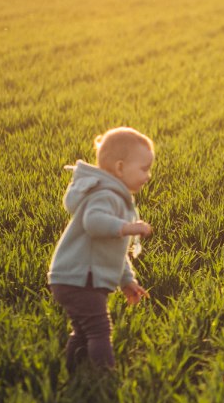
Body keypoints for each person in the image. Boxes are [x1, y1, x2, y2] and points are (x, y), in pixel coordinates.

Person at [48, 126, 154, 372]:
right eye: (144, 168)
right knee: (99, 330)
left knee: (84, 331)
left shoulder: (112, 195)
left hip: (71, 277)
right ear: (119, 168)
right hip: (81, 279)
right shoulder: (105, 195)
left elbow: (113, 250)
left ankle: (74, 372)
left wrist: (127, 280)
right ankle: (104, 377)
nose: (148, 176)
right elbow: (94, 223)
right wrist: (128, 227)